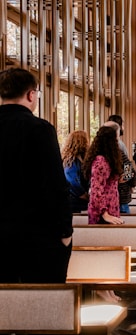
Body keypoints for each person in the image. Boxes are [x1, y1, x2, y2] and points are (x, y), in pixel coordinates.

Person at [0, 67, 73, 283]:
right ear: (31, 95)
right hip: (37, 238)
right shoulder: (39, 129)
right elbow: (56, 185)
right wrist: (65, 233)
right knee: (41, 306)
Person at [83, 124, 124, 225]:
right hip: (102, 215)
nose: (118, 141)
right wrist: (104, 213)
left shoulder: (108, 159)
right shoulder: (100, 161)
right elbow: (96, 191)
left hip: (110, 209)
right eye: (117, 137)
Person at [107, 115, 136, 213]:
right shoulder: (119, 147)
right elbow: (128, 168)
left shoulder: (97, 152)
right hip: (120, 194)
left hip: (108, 196)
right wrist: (129, 180)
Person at [62, 130, 90, 213]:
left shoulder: (76, 159)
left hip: (75, 200)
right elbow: (72, 181)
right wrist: (83, 194)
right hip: (75, 200)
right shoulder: (72, 160)